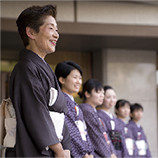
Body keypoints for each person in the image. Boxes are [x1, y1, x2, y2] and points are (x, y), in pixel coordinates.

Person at [9, 5, 71, 158]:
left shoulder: (43, 68)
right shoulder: (26, 68)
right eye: (51, 28)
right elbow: (35, 113)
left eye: (56, 30)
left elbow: (60, 113)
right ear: (31, 32)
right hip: (36, 150)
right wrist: (58, 149)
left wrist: (66, 147)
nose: (56, 35)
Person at [55, 61, 94, 158]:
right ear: (62, 80)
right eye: (75, 77)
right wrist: (84, 154)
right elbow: (70, 132)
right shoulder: (60, 102)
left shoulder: (74, 104)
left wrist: (90, 152)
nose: (79, 82)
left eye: (80, 78)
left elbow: (84, 132)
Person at [79, 79, 117, 158]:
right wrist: (109, 155)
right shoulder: (87, 110)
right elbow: (97, 137)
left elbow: (104, 135)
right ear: (87, 94)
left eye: (103, 93)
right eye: (98, 92)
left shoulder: (93, 110)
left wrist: (112, 152)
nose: (101, 96)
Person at [97, 86, 129, 158]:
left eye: (114, 97)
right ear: (102, 98)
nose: (112, 100)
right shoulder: (98, 115)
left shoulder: (116, 119)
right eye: (108, 97)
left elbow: (123, 141)